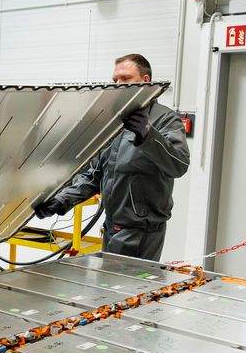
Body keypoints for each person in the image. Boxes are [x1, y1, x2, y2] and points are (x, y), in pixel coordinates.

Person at [33, 54, 190, 261]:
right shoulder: (115, 123)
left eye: (125, 79)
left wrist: (148, 134)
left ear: (145, 81)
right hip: (111, 227)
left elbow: (179, 164)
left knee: (130, 289)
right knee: (112, 288)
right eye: (115, 80)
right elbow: (94, 175)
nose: (118, 85)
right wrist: (61, 201)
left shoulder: (165, 118)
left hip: (142, 233)